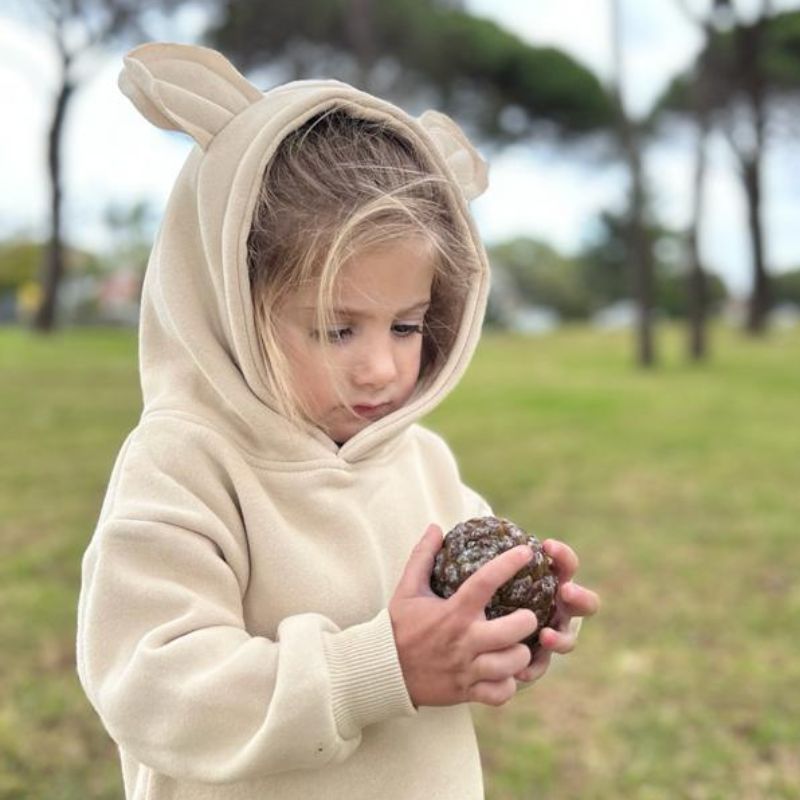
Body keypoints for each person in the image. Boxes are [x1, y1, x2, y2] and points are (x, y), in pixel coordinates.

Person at [76, 42, 600, 800]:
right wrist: (377, 670)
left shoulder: (425, 464)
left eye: (407, 326)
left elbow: (461, 626)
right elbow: (151, 683)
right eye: (335, 329)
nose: (381, 369)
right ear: (231, 304)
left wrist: (516, 634)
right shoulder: (185, 464)